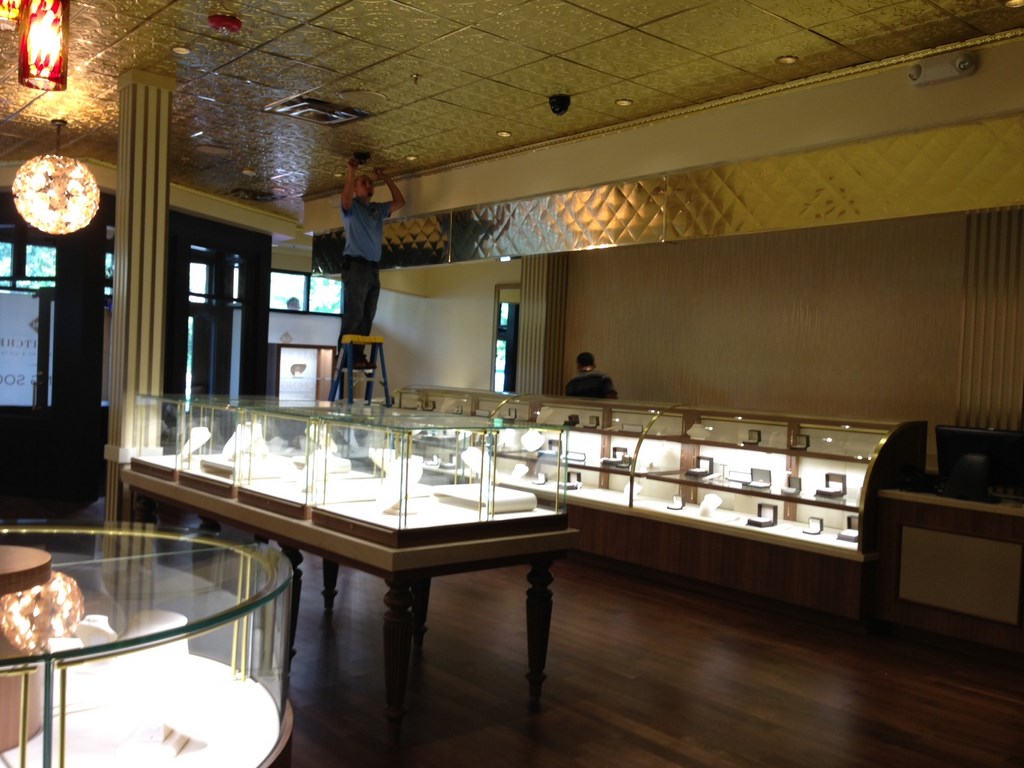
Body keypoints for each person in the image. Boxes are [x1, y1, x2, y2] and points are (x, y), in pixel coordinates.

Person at [338, 156, 406, 368]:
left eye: (370, 183)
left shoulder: (377, 209)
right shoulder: (352, 209)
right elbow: (346, 200)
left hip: (373, 268)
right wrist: (351, 172)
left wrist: (386, 178)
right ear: (356, 189)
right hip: (356, 266)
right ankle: (345, 356)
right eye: (364, 183)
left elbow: (400, 202)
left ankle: (358, 355)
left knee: (368, 314)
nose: (369, 185)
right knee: (355, 313)